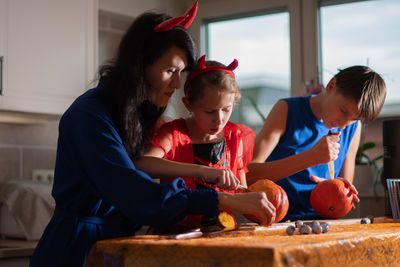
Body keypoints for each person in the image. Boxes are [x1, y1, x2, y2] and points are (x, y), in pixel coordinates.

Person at [30, 3, 275, 267]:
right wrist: (220, 197)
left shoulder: (134, 113)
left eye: (181, 73)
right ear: (139, 64)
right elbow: (135, 192)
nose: (177, 84)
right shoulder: (88, 116)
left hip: (115, 241)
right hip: (75, 248)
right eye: (170, 71)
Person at [247, 65, 386, 221]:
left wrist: (335, 189)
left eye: (354, 119)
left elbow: (342, 198)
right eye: (343, 110)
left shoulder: (353, 128)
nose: (343, 124)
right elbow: (248, 174)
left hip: (323, 224)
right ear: (331, 85)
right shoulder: (286, 110)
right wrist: (309, 158)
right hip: (274, 219)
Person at [134, 55, 255, 229]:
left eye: (226, 110)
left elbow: (242, 193)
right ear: (189, 105)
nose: (219, 119)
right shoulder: (173, 134)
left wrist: (258, 201)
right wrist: (201, 171)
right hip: (175, 233)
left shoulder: (234, 136)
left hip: (221, 233)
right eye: (209, 111)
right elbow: (142, 165)